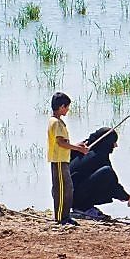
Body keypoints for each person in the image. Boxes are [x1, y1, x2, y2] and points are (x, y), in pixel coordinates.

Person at [69, 127, 130, 221]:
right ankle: (83, 207)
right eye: (113, 142)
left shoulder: (81, 149)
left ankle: (82, 206)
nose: (115, 145)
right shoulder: (99, 156)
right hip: (74, 197)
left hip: (67, 196)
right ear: (107, 142)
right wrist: (127, 198)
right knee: (107, 172)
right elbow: (112, 182)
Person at [47, 92, 88, 226]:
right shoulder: (56, 123)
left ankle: (65, 215)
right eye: (67, 106)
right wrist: (78, 149)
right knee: (61, 189)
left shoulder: (58, 122)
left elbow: (64, 142)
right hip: (58, 160)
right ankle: (61, 217)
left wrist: (77, 145)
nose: (68, 109)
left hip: (63, 159)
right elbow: (60, 142)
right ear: (61, 106)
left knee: (68, 187)